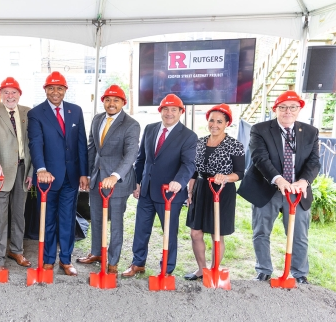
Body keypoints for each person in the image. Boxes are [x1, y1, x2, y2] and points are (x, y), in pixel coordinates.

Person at [238, 90, 320, 284]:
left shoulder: (310, 132)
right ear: (275, 109)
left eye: (293, 107)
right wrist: (278, 179)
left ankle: (299, 274)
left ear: (299, 109)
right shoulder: (260, 129)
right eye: (282, 107)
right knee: (261, 231)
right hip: (267, 188)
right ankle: (263, 270)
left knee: (299, 234)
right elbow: (260, 158)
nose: (287, 111)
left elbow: (314, 162)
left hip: (297, 192)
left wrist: (303, 182)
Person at [123, 93, 197, 277]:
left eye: (174, 109)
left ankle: (167, 269)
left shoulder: (188, 136)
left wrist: (179, 182)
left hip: (169, 195)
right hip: (147, 191)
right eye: (165, 109)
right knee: (141, 229)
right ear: (160, 111)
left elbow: (189, 164)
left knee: (169, 234)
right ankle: (137, 263)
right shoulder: (150, 129)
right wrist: (137, 182)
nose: (169, 113)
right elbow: (142, 159)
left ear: (181, 112)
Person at [28, 71, 89, 276]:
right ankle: (47, 259)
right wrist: (41, 169)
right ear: (45, 90)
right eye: (51, 88)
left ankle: (65, 260)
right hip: (47, 178)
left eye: (59, 88)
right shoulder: (36, 113)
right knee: (47, 220)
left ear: (65, 90)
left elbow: (81, 143)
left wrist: (84, 173)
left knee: (67, 219)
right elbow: (35, 144)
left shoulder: (76, 111)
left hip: (71, 178)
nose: (56, 92)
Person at [76, 85, 140, 274]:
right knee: (96, 218)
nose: (111, 104)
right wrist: (87, 174)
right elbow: (92, 149)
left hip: (118, 183)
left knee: (116, 223)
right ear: (103, 101)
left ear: (123, 103)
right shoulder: (97, 119)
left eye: (116, 100)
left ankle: (113, 261)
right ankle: (96, 252)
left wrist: (115, 175)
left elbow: (131, 154)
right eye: (108, 100)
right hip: (97, 179)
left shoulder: (131, 124)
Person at [184, 104, 245, 280]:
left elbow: (240, 173)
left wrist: (225, 177)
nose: (215, 124)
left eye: (219, 121)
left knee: (216, 233)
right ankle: (201, 269)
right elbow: (194, 171)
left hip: (222, 191)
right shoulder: (200, 142)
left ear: (227, 123)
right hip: (201, 189)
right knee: (195, 232)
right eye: (212, 120)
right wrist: (190, 192)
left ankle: (214, 270)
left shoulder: (235, 145)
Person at [0, 77, 33, 268]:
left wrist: (32, 170)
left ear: (19, 94)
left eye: (14, 92)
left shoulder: (28, 113)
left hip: (23, 169)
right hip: (0, 170)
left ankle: (17, 250)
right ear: (0, 94)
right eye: (6, 92)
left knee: (19, 214)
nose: (10, 96)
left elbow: (34, 143)